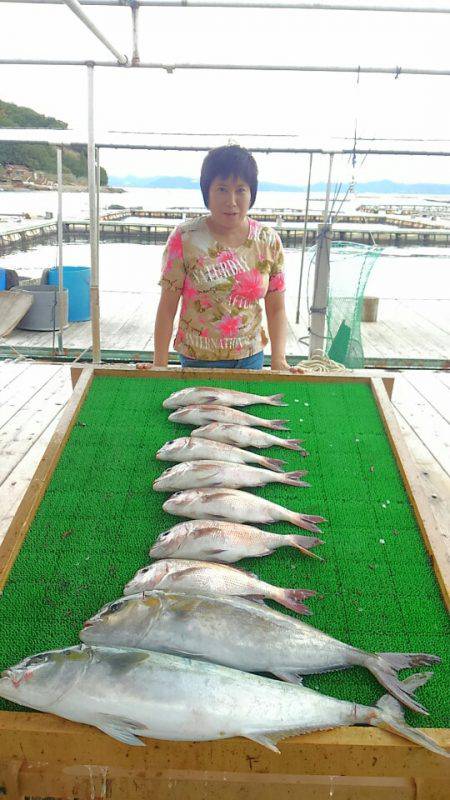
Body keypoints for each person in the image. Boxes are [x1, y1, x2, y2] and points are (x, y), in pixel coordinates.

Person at [143, 144, 303, 372]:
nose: (231, 201)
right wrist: (159, 365)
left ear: (252, 193)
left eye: (240, 189)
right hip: (197, 360)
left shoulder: (268, 240)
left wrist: (279, 360)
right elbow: (167, 307)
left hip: (251, 359)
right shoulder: (185, 238)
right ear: (207, 191)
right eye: (221, 189)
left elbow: (276, 308)